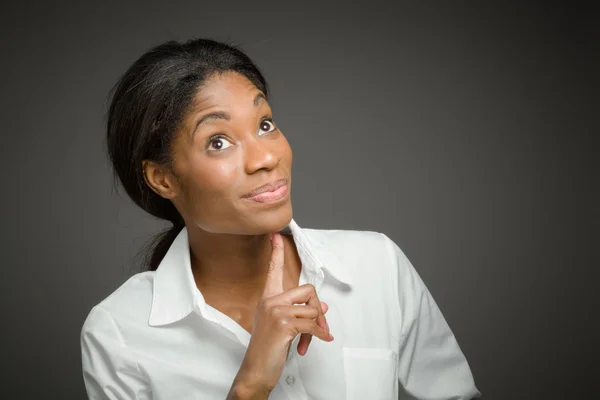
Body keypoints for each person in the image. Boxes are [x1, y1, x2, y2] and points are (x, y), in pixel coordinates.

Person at [81, 37, 481, 400]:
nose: (267, 158)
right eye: (218, 141)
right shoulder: (120, 332)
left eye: (265, 124)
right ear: (162, 178)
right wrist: (251, 385)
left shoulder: (376, 265)